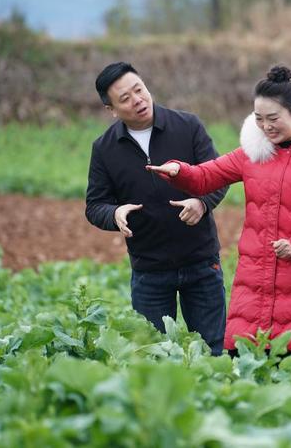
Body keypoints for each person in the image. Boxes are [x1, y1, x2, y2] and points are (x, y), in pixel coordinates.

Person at [147, 66, 291, 400]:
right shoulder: (253, 153)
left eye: (273, 118)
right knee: (247, 398)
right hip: (252, 293)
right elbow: (205, 176)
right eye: (258, 118)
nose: (266, 127)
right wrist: (178, 171)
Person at [85, 62, 228, 356]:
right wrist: (114, 214)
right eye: (125, 98)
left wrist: (202, 203)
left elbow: (218, 176)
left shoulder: (187, 126)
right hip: (149, 270)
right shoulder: (105, 148)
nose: (137, 100)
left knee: (214, 350)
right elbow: (94, 205)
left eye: (139, 89)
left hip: (201, 263)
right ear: (111, 109)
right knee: (152, 354)